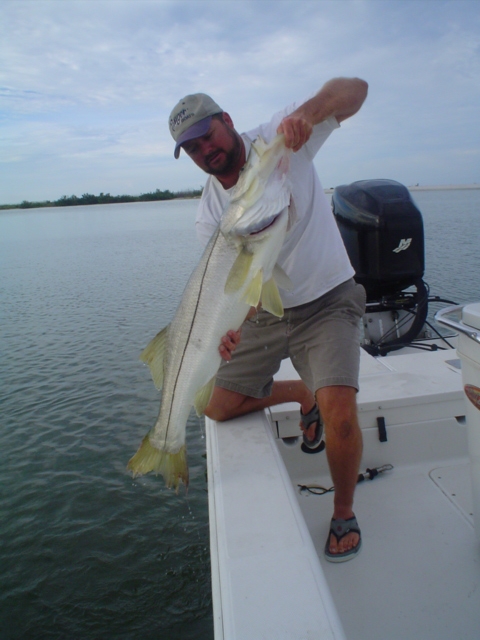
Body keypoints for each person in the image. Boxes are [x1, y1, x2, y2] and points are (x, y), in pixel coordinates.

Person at [168, 78, 368, 562]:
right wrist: (231, 328)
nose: (205, 151)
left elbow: (356, 90)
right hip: (267, 307)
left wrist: (313, 111)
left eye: (207, 135)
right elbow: (237, 288)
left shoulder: (280, 140)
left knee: (340, 413)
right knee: (214, 405)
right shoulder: (209, 214)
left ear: (228, 121)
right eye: (191, 148)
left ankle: (343, 510)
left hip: (327, 298)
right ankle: (301, 394)